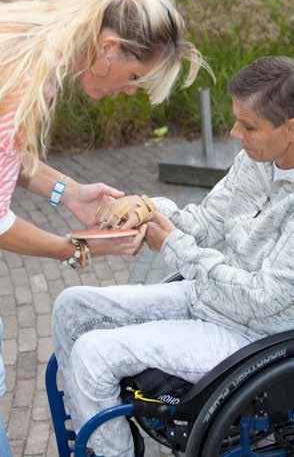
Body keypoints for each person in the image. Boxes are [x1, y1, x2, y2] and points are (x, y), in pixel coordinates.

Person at [0, 0, 205, 451]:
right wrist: (80, 248)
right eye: (134, 76)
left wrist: (70, 194)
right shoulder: (21, 80)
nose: (130, 91)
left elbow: (14, 160)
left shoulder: (29, 49)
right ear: (108, 48)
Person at [52, 55, 294, 456]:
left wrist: (173, 247)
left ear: (291, 129)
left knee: (94, 354)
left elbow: (266, 298)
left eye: (249, 126)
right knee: (71, 306)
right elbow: (206, 221)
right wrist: (148, 208)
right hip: (210, 299)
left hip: (252, 337)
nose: (235, 134)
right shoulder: (256, 163)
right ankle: (98, 445)